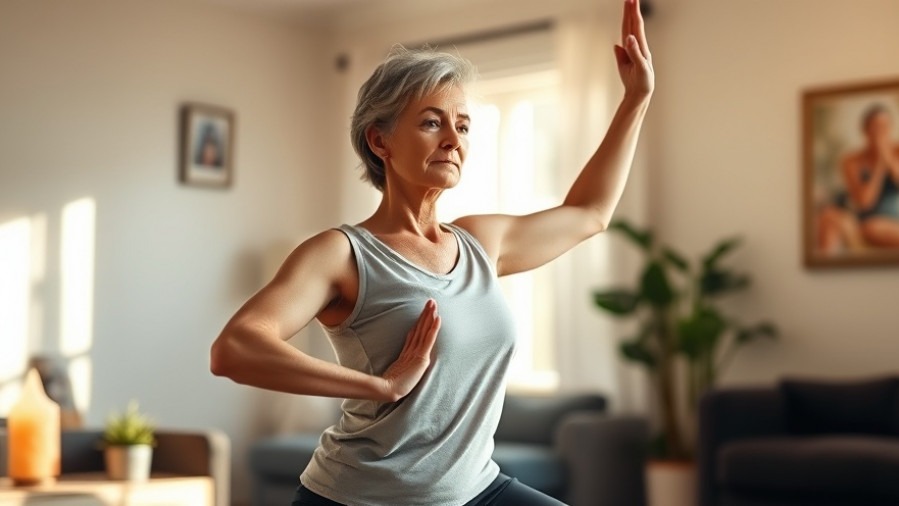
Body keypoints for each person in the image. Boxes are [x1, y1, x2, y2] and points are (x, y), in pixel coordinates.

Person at [210, 0, 653, 504]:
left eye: (462, 126)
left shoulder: (482, 243)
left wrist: (635, 98)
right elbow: (235, 349)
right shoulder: (343, 254)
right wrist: (380, 386)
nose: (452, 139)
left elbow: (590, 213)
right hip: (363, 496)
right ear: (380, 141)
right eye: (431, 123)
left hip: (476, 488)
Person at [840, 104, 899, 248]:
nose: (881, 132)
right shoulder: (851, 161)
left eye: (885, 126)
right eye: (876, 127)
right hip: (871, 222)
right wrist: (879, 165)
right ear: (865, 130)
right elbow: (864, 203)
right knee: (874, 228)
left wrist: (889, 159)